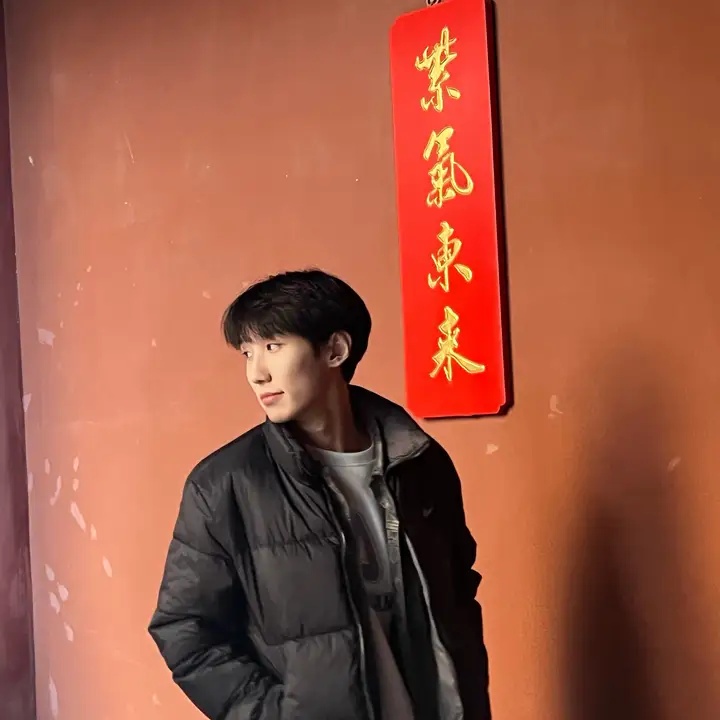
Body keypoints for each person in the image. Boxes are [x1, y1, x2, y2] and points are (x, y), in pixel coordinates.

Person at [148, 269, 491, 720]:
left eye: (273, 347)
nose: (256, 373)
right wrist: (277, 713)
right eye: (248, 353)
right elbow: (185, 629)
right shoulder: (225, 484)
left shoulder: (419, 463)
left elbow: (457, 588)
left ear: (335, 350)